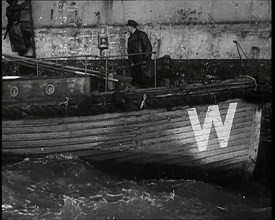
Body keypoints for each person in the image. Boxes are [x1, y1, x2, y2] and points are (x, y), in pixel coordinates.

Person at [126, 20, 153, 87]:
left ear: (130, 27)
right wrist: (131, 62)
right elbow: (129, 51)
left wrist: (145, 59)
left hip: (144, 64)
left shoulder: (142, 35)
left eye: (128, 26)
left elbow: (148, 48)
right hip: (136, 65)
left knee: (146, 82)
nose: (127, 28)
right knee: (138, 82)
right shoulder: (130, 39)